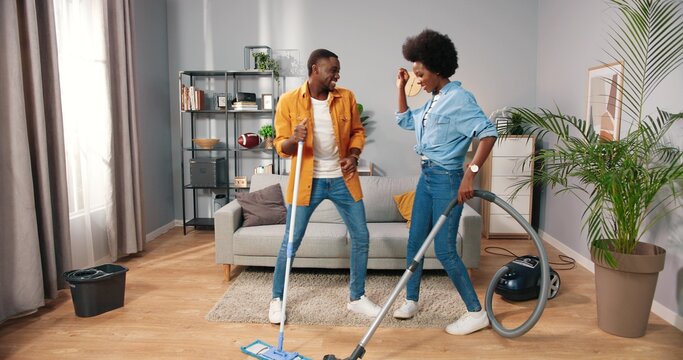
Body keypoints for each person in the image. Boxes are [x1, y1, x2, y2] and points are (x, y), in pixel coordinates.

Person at [393, 29, 498, 335]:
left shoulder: (460, 99)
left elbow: (489, 133)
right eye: (414, 75)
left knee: (444, 249)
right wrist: (400, 87)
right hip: (426, 178)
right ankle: (411, 299)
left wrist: (470, 174)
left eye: (420, 73)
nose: (418, 80)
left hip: (448, 179)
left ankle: (476, 312)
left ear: (437, 68)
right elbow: (403, 120)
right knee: (415, 242)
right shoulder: (432, 101)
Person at [268, 49, 381, 324]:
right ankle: (277, 299)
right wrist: (293, 138)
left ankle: (356, 297)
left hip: (343, 181)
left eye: (338, 70)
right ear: (315, 69)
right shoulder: (289, 101)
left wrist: (353, 156)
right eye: (333, 70)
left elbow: (357, 131)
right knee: (291, 242)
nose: (337, 75)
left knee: (361, 237)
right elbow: (280, 146)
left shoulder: (346, 97)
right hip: (307, 182)